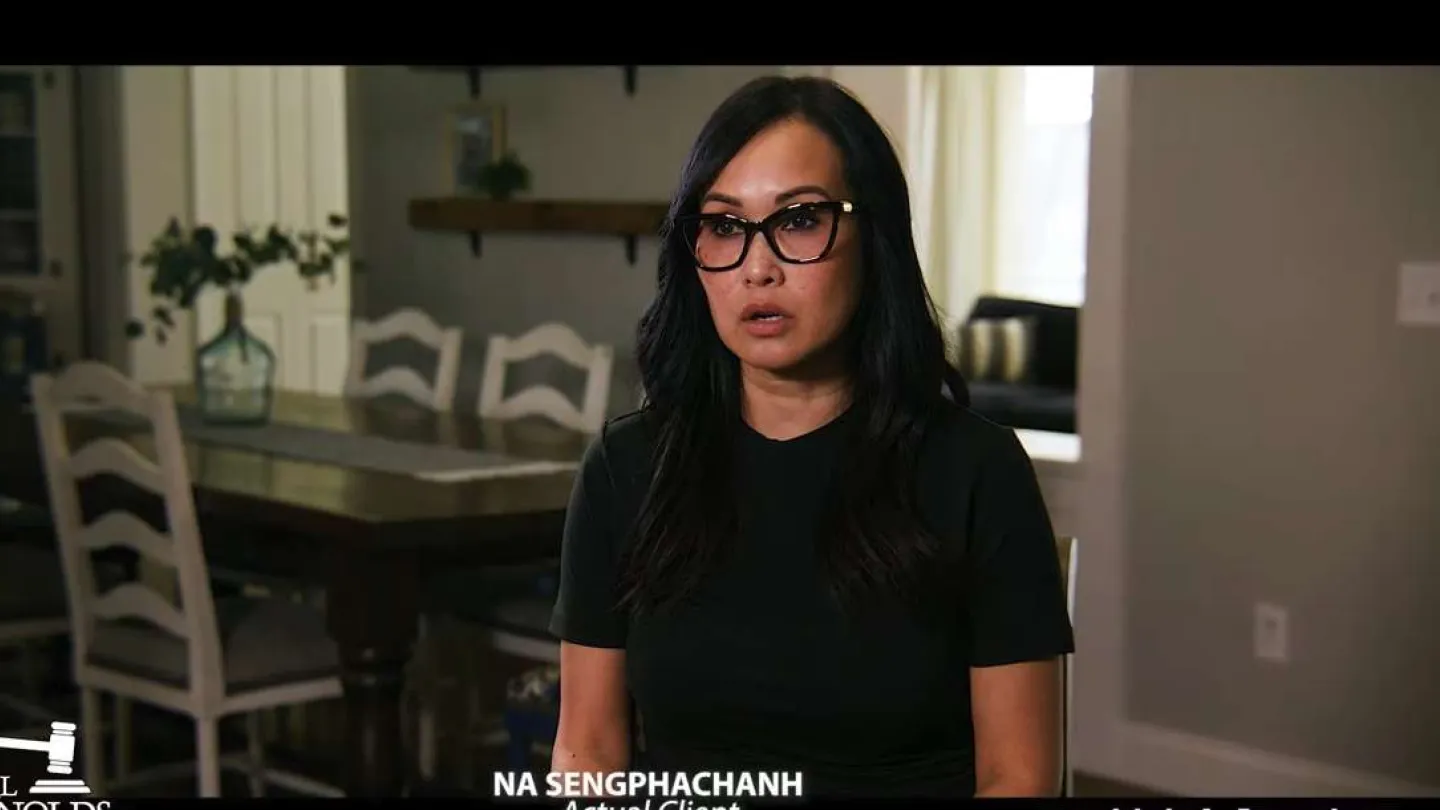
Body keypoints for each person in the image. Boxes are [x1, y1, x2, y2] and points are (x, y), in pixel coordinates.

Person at [547, 74, 1075, 798]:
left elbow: (1018, 778)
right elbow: (586, 752)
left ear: (873, 237)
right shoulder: (626, 468)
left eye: (798, 220)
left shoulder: (975, 471)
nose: (757, 268)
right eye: (724, 226)